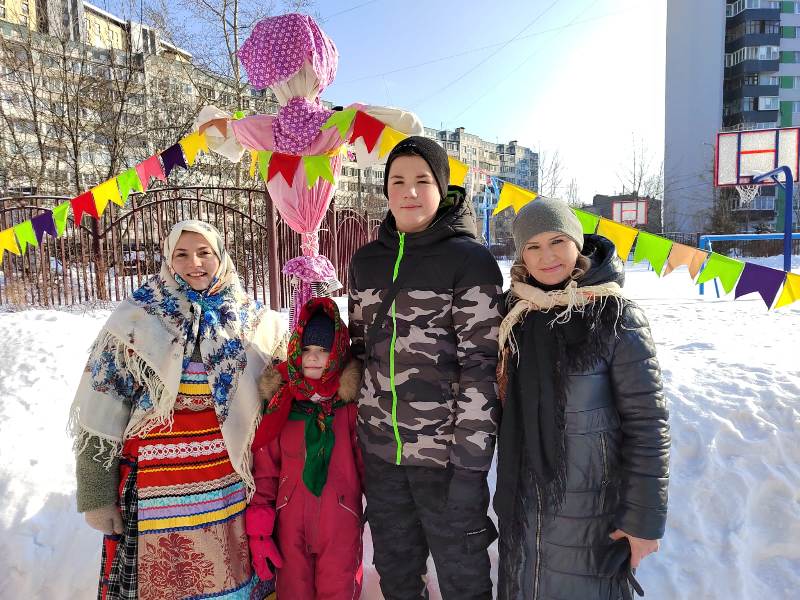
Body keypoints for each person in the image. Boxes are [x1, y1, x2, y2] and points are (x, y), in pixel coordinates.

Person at [70, 220, 288, 600]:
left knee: (228, 578)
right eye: (181, 254)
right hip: (156, 486)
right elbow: (100, 403)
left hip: (229, 485)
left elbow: (282, 396)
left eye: (204, 253)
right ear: (168, 261)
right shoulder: (139, 315)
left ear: (221, 257)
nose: (194, 263)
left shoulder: (256, 321)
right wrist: (96, 493)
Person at [348, 136, 503, 600]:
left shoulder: (470, 260)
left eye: (422, 180)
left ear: (442, 188)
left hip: (447, 458)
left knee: (463, 574)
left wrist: (470, 464)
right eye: (397, 181)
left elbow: (482, 368)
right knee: (396, 570)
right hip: (382, 454)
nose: (409, 192)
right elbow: (361, 350)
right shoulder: (365, 261)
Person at [494, 197, 671, 600]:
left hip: (591, 516)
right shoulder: (515, 316)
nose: (547, 256)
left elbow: (648, 424)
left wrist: (643, 519)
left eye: (557, 241)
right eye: (533, 246)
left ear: (577, 243)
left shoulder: (616, 317)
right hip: (523, 512)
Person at [246, 297, 364, 599]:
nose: (312, 357)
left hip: (340, 522)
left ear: (337, 353)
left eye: (323, 350)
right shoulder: (282, 406)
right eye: (307, 348)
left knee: (339, 590)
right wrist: (260, 531)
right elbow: (266, 472)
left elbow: (369, 468)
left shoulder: (349, 409)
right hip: (290, 524)